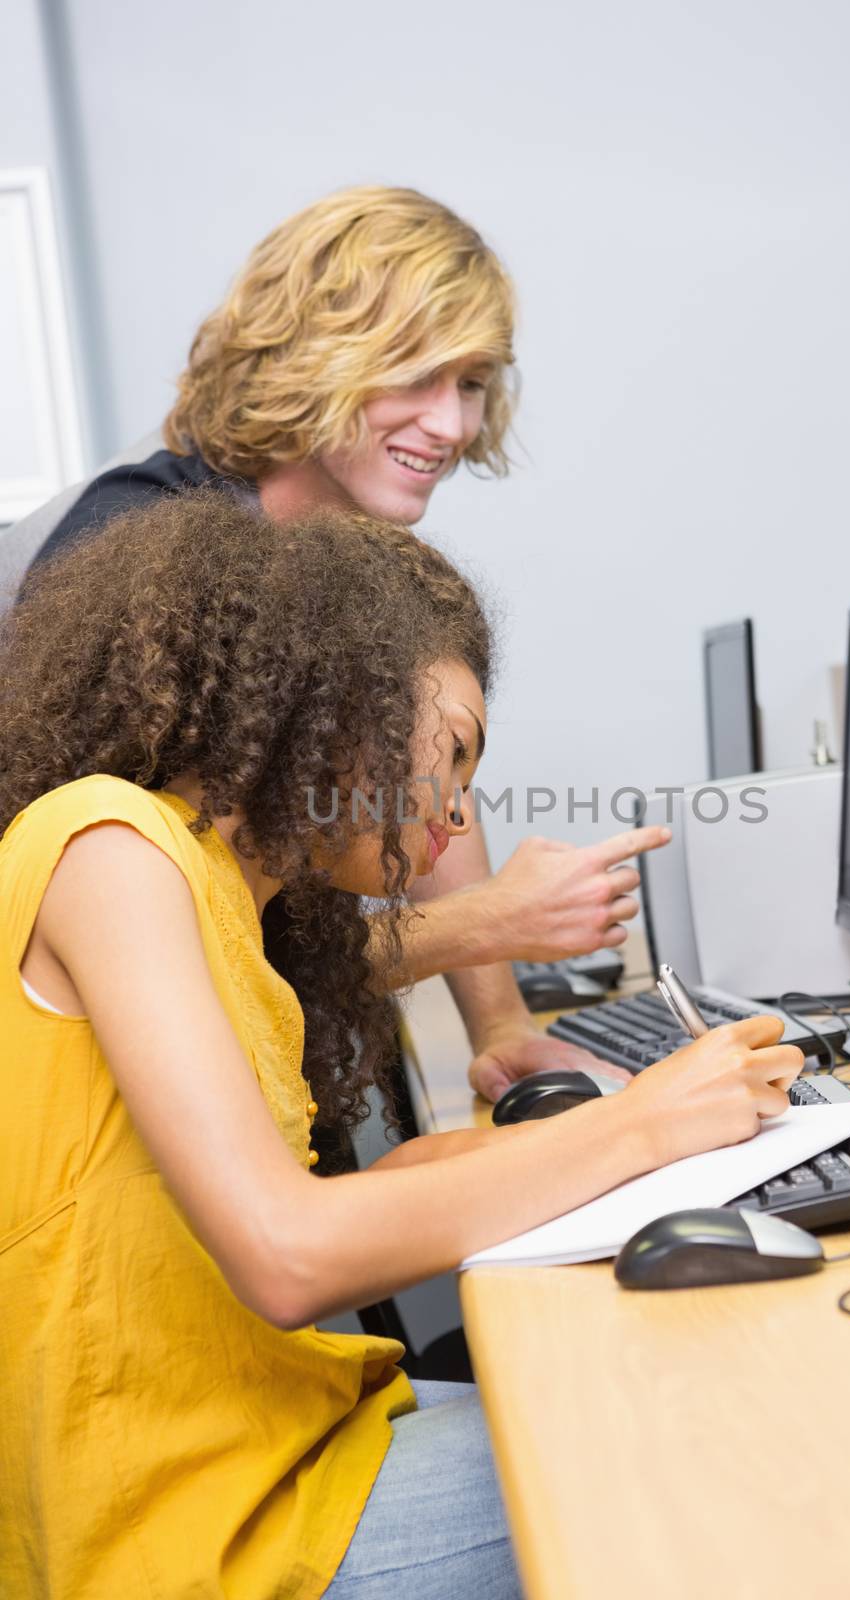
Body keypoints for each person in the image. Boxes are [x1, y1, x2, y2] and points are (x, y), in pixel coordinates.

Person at [0, 493, 802, 1599]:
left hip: (273, 1451)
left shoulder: (224, 903)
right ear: (340, 693)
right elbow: (287, 1254)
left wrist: (674, 1122)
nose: (452, 817)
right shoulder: (112, 846)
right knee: (701, 1440)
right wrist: (638, 1124)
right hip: (193, 1535)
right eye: (453, 753)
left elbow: (390, 1181)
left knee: (641, 1382)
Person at [14, 184, 668, 1104]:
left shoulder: (351, 563)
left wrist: (502, 1027)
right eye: (413, 376)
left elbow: (426, 764)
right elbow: (193, 953)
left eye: (471, 384)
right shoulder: (154, 568)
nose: (449, 425)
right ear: (311, 356)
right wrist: (484, 922)